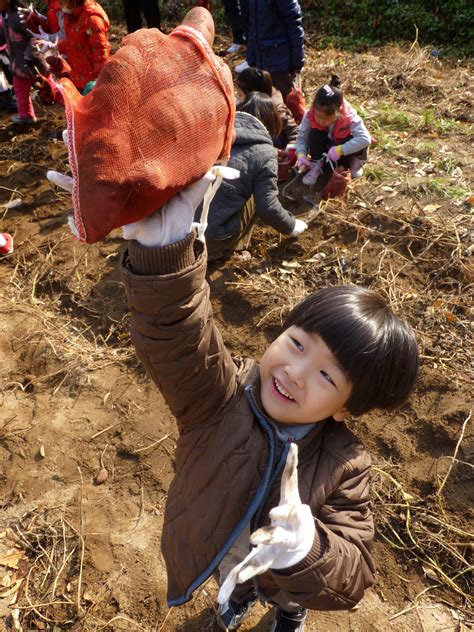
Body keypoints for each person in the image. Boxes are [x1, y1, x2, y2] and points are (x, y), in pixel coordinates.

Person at [48, 10, 419, 632]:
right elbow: (176, 337)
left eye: (327, 375)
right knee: (235, 584)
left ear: (349, 409)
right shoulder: (223, 398)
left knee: (283, 593)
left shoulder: (345, 468)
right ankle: (234, 600)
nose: (295, 372)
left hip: (289, 568)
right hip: (222, 545)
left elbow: (352, 573)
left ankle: (283, 611)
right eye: (297, 343)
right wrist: (164, 255)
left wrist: (307, 549)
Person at [197, 91, 307, 260]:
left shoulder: (216, 133)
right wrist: (291, 226)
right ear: (272, 121)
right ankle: (234, 248)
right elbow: (267, 206)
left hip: (180, 233)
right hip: (211, 239)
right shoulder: (265, 153)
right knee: (257, 193)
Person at [296, 75, 371, 186]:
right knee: (315, 134)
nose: (320, 121)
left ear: (338, 113)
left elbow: (365, 139)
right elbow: (302, 137)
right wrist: (301, 155)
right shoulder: (310, 115)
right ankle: (317, 163)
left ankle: (355, 160)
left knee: (349, 144)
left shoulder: (349, 117)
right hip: (329, 146)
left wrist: (341, 150)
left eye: (326, 119)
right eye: (318, 117)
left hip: (343, 146)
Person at [236, 0, 304, 105]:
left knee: (290, 102)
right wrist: (252, 56)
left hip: (281, 59)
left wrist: (297, 61)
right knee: (265, 102)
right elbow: (253, 26)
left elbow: (294, 24)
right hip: (263, 56)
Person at [0, 0, 49, 124]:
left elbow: (34, 36)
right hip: (18, 63)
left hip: (33, 62)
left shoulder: (21, 16)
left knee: (48, 86)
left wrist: (28, 57)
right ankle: (26, 116)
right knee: (19, 88)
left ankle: (68, 103)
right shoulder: (6, 15)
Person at [53, 0, 110, 92]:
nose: (61, 6)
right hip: (78, 75)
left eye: (63, 3)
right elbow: (73, 40)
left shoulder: (92, 18)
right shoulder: (72, 16)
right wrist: (55, 46)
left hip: (92, 80)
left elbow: (101, 50)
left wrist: (100, 78)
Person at [236, 66, 298, 149]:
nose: (237, 97)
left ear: (253, 95)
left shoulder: (277, 110)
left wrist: (290, 150)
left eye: (240, 95)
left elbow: (294, 131)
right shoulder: (244, 104)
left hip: (274, 146)